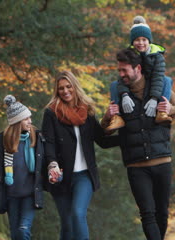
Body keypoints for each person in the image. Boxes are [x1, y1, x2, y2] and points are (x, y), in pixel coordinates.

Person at [102, 48, 175, 240]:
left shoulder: (160, 89)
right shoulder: (118, 94)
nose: (121, 75)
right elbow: (104, 131)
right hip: (136, 167)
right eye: (119, 70)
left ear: (138, 68)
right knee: (147, 214)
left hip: (162, 162)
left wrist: (171, 108)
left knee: (162, 213)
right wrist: (107, 117)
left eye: (124, 70)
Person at [42, 70, 118, 240]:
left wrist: (127, 139)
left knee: (77, 214)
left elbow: (102, 140)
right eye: (61, 88)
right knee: (67, 224)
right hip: (61, 176)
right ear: (57, 90)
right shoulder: (51, 113)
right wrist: (52, 163)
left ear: (75, 87)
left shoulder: (87, 111)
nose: (65, 91)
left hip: (84, 176)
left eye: (68, 86)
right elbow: (49, 143)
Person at [0, 95, 45, 240]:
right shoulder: (2, 141)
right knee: (15, 234)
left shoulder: (36, 137)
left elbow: (45, 162)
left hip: (29, 195)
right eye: (26, 119)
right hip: (11, 196)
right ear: (16, 121)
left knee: (23, 230)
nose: (30, 121)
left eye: (30, 118)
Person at [107, 15, 173, 131]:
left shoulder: (157, 56)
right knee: (114, 85)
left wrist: (154, 98)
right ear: (133, 42)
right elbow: (122, 76)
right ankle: (116, 116)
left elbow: (158, 76)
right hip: (134, 83)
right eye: (137, 40)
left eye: (144, 40)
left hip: (152, 84)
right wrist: (124, 95)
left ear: (149, 41)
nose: (140, 43)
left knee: (167, 80)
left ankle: (162, 112)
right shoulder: (129, 54)